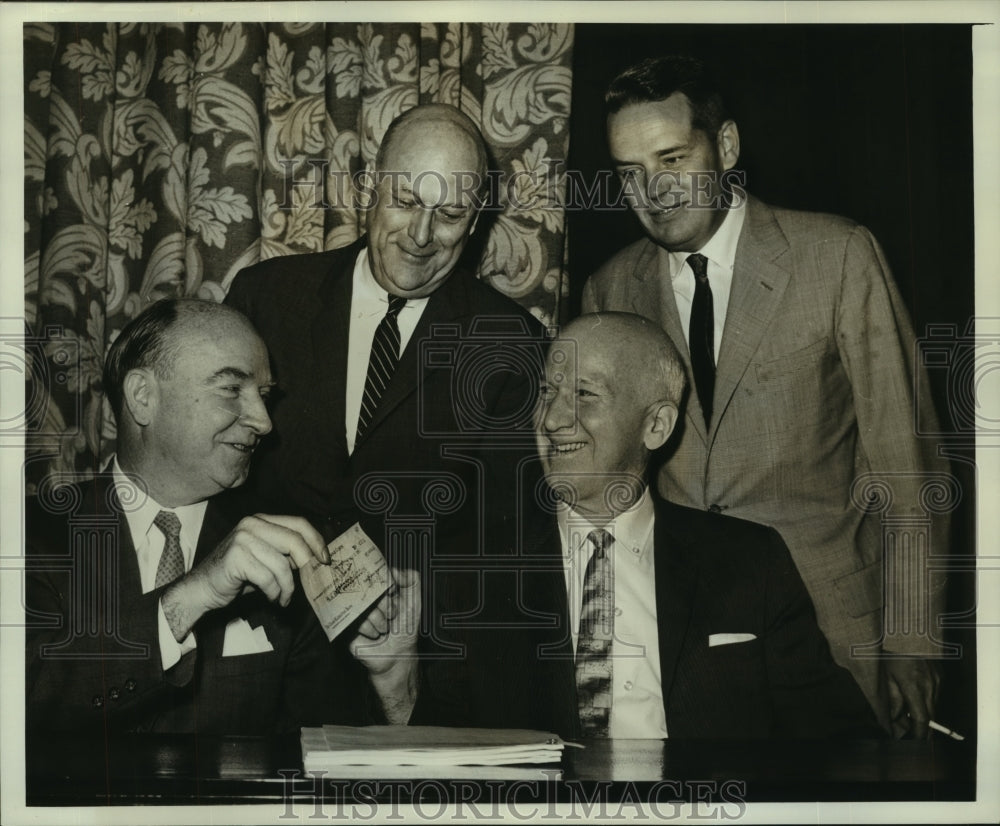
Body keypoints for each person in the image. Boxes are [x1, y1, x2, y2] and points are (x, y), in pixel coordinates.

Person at [581, 56, 948, 736]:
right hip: (690, 641)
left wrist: (914, 638)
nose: (653, 191)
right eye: (630, 172)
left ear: (725, 147)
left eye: (672, 159)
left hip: (838, 629)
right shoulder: (610, 289)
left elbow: (909, 464)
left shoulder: (837, 256)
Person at [223, 104, 546, 700]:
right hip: (253, 661)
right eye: (404, 202)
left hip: (410, 669)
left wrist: (407, 620)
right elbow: (211, 489)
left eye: (449, 214)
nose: (421, 237)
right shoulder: (266, 298)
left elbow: (506, 546)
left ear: (475, 221)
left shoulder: (508, 341)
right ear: (367, 189)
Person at [429, 313, 880, 739]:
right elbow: (435, 748)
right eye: (547, 393)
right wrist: (393, 686)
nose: (551, 420)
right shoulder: (474, 570)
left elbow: (841, 743)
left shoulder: (747, 561)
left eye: (584, 395)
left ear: (657, 425)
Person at [25, 298, 418, 734]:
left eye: (264, 396)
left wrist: (393, 684)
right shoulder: (29, 536)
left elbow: (335, 764)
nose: (264, 421)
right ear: (142, 397)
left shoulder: (292, 547)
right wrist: (186, 600)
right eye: (232, 389)